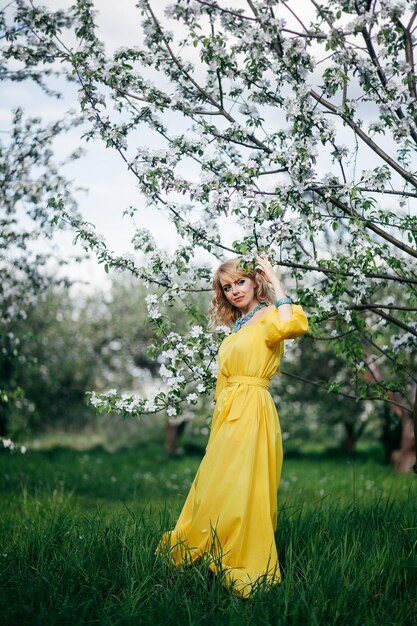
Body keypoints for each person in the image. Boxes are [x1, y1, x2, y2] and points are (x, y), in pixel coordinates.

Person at [158, 253, 309, 598]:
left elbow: (294, 326)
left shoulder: (270, 316)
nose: (234, 291)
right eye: (227, 287)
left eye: (240, 281)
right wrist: (216, 429)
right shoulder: (235, 329)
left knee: (245, 484)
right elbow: (222, 384)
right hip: (229, 414)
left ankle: (242, 555)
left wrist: (274, 279)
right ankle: (212, 546)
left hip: (254, 408)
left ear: (255, 282)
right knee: (217, 481)